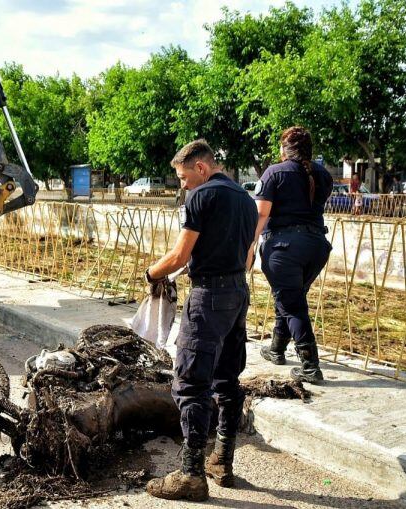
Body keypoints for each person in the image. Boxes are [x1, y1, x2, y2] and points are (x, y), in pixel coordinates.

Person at [144, 140, 257, 501]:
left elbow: (179, 255)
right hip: (238, 293)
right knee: (228, 378)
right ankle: (222, 460)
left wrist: (151, 273)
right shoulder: (245, 199)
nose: (182, 184)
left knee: (192, 382)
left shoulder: (201, 197)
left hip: (208, 297)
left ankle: (191, 474)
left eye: (183, 176)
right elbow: (249, 255)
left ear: (202, 168)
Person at [252, 126, 333, 384]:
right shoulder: (323, 174)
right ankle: (276, 349)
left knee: (293, 304)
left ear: (284, 149)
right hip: (317, 246)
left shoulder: (274, 172)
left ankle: (310, 366)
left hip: (284, 249)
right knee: (289, 297)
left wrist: (249, 246)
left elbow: (261, 215)